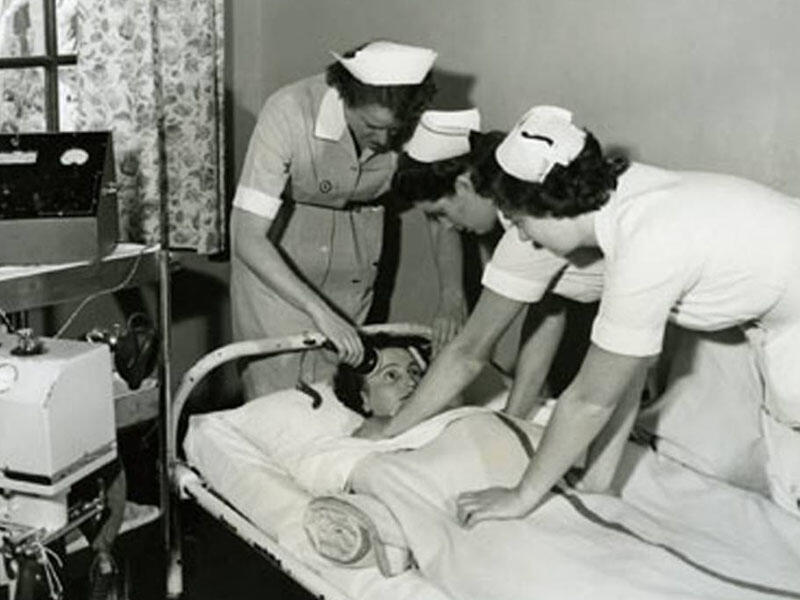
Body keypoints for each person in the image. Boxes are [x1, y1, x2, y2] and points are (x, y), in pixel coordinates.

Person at [450, 105, 800, 525]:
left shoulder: (645, 244)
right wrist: (596, 484)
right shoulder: (625, 193)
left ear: (548, 207)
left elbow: (589, 400)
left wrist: (521, 496)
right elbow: (622, 374)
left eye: (521, 222)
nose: (523, 237)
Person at [230, 40, 467, 400]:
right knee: (280, 399)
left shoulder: (415, 123)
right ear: (344, 97)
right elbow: (247, 236)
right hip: (277, 265)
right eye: (372, 126)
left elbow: (440, 209)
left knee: (339, 392)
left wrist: (452, 295)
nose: (384, 140)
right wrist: (318, 311)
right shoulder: (288, 111)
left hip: (355, 257)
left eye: (395, 130)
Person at [381, 109, 605, 434]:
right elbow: (549, 313)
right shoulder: (525, 211)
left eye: (441, 213)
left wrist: (388, 433)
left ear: (464, 184)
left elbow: (468, 354)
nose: (448, 227)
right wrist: (513, 417)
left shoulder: (525, 234)